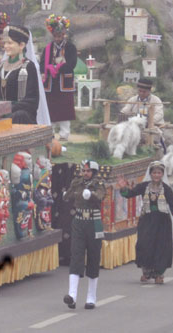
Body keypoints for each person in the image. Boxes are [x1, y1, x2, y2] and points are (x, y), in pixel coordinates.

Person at [117, 161, 173, 284]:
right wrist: (123, 187)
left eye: (159, 172)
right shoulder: (144, 186)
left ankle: (159, 274)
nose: (156, 175)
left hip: (162, 222)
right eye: (154, 172)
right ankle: (146, 272)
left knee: (161, 247)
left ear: (162, 174)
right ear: (150, 174)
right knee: (144, 245)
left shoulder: (166, 189)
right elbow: (129, 194)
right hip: (147, 221)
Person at [62, 160, 106, 310]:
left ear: (93, 172)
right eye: (83, 170)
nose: (85, 173)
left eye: (88, 171)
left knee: (94, 257)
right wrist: (68, 194)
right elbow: (66, 196)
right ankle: (72, 296)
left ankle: (91, 297)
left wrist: (91, 195)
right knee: (76, 255)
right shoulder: (77, 182)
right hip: (79, 222)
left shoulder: (98, 184)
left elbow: (100, 196)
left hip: (95, 223)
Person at [0, 25, 40, 124]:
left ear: (21, 45)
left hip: (18, 116)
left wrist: (7, 109)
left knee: (19, 115)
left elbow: (31, 101)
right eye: (5, 43)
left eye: (10, 43)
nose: (6, 46)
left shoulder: (28, 67)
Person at [40, 15, 77, 141]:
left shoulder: (70, 47)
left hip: (63, 82)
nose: (57, 38)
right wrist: (48, 68)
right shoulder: (48, 48)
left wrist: (59, 68)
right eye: (55, 36)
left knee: (64, 109)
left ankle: (64, 134)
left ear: (64, 34)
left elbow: (72, 64)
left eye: (59, 36)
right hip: (51, 83)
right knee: (50, 108)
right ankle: (49, 133)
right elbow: (42, 63)